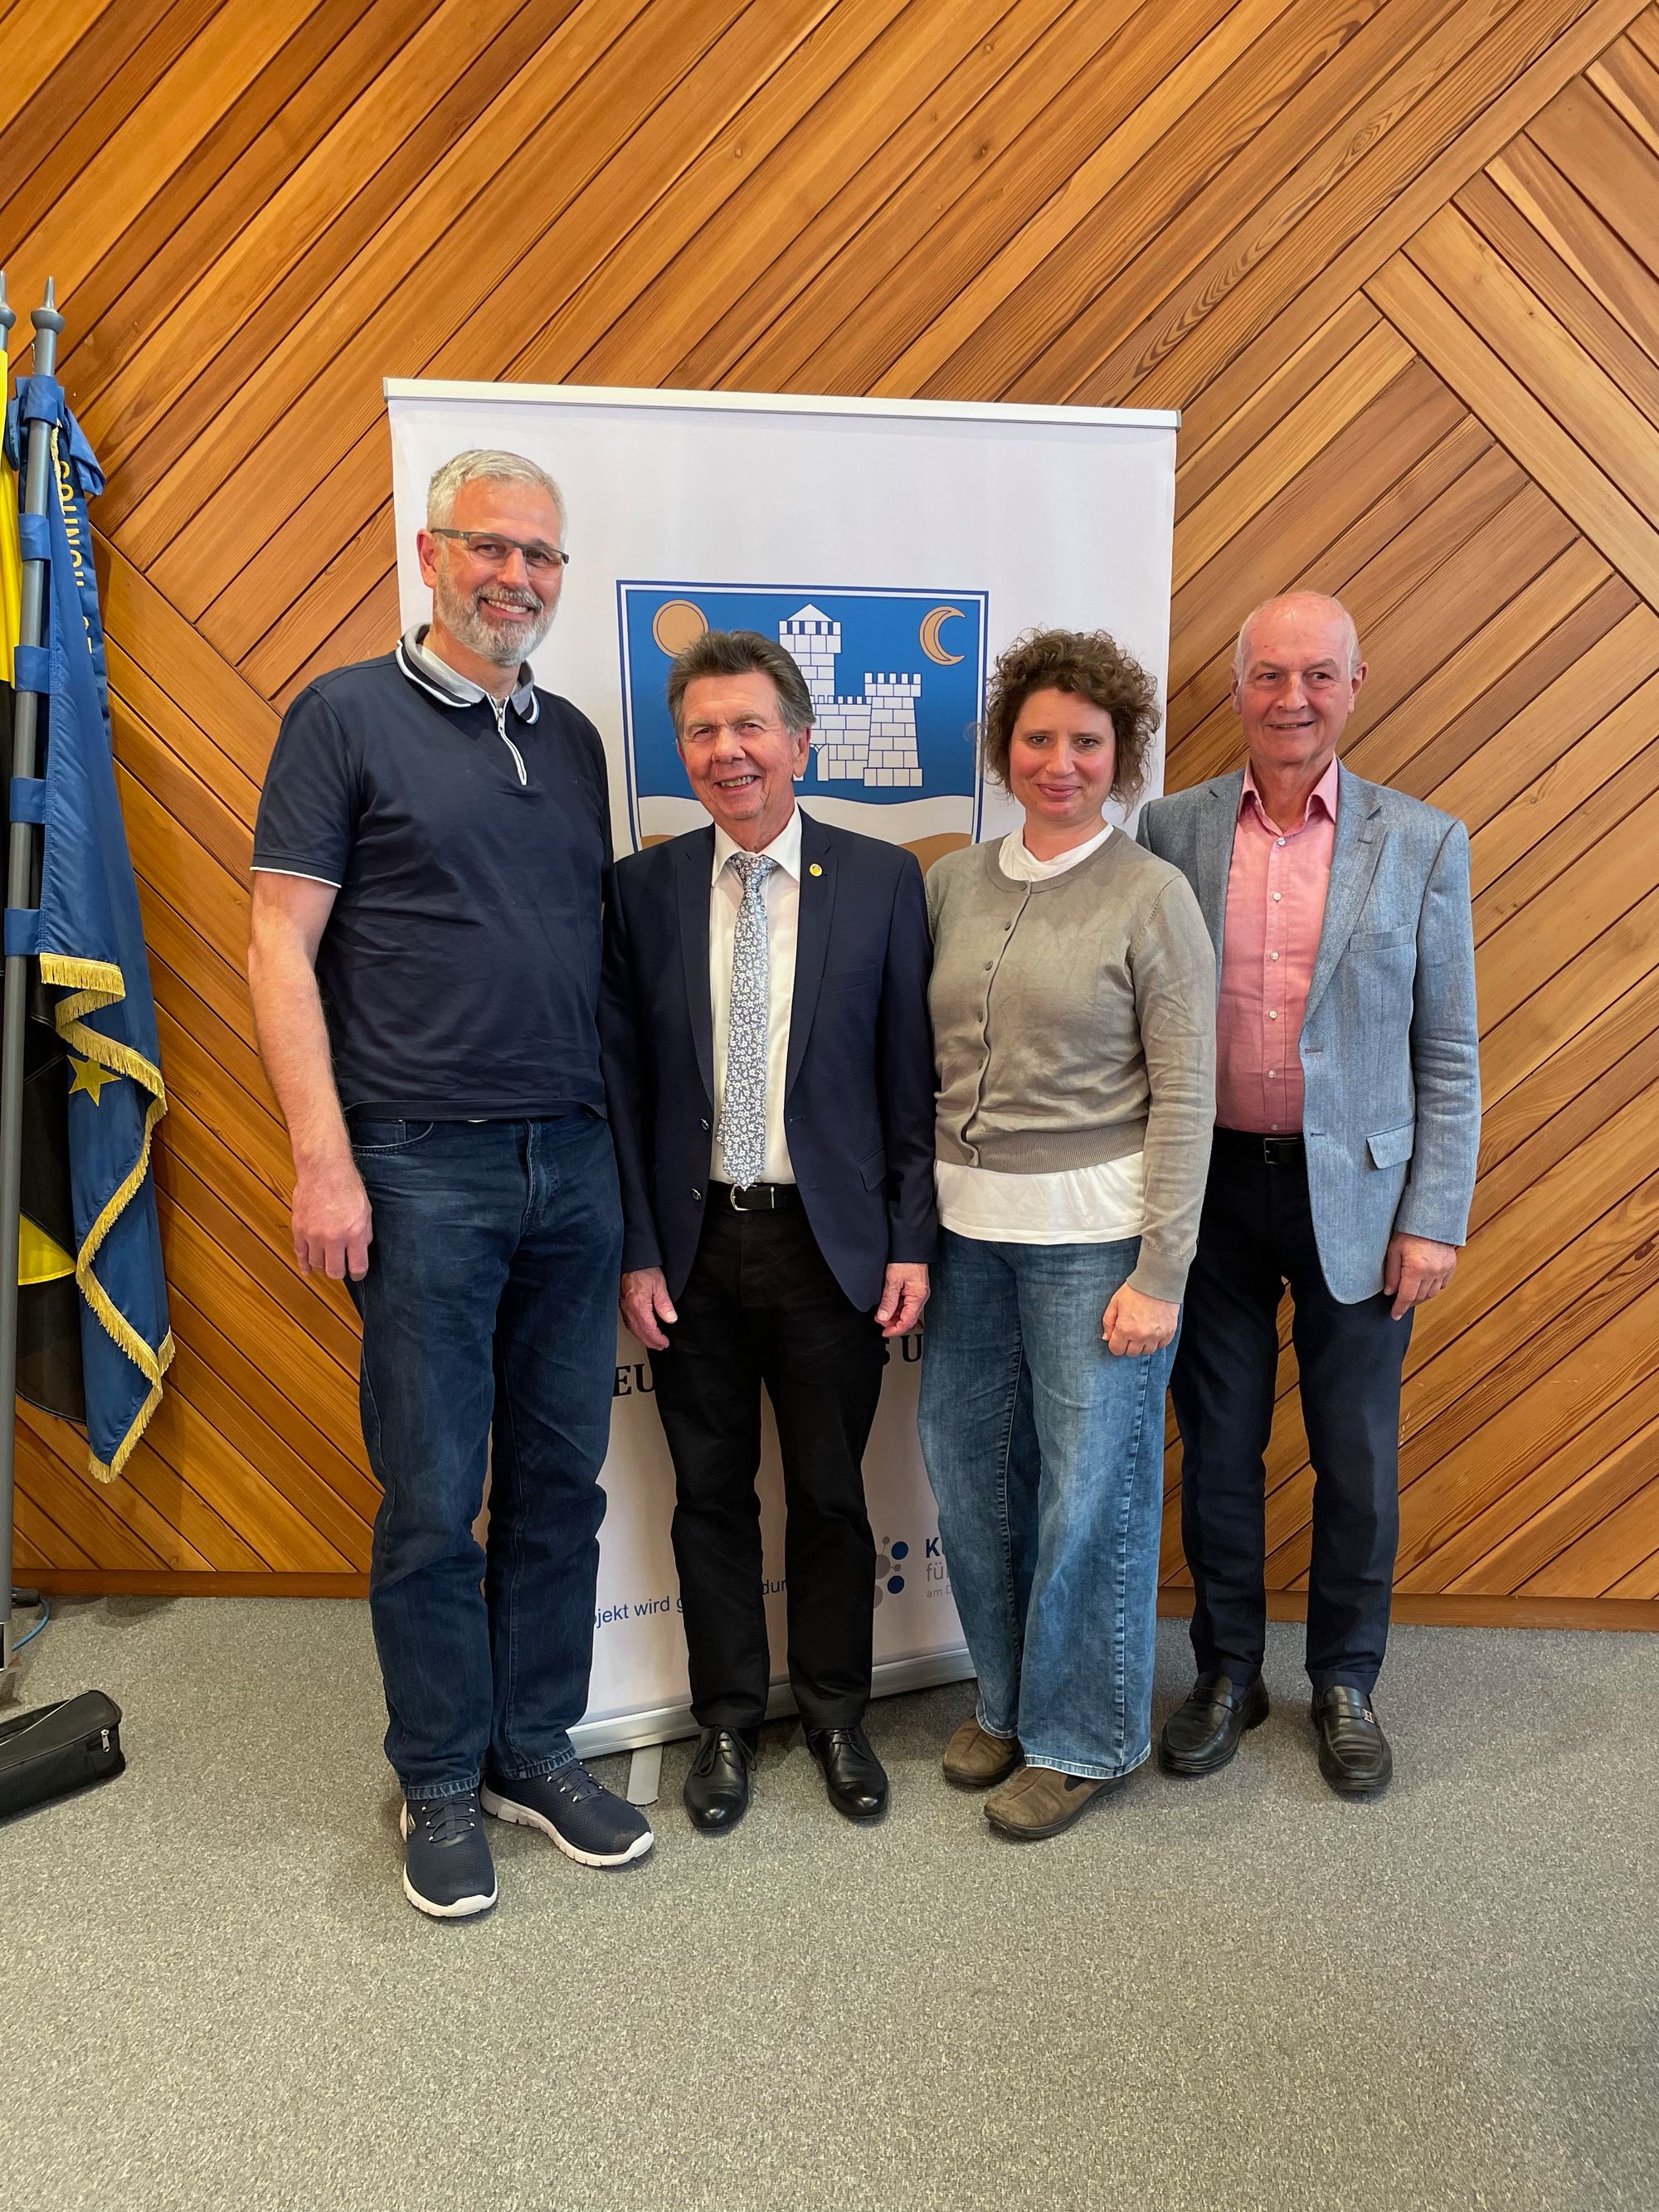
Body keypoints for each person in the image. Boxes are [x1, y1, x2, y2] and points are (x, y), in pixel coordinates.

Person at [249, 449, 651, 1920]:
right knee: (430, 1499)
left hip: (573, 1161)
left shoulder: (577, 740)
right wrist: (323, 1159)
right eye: (491, 547)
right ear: (430, 555)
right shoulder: (344, 716)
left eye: (541, 556)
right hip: (419, 1169)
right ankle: (434, 1774)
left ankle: (530, 1749)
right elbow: (278, 943)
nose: (517, 578)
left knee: (560, 1482)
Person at [1139, 591, 1480, 1797]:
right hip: (1213, 1188)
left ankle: (1345, 1681)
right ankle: (1227, 1673)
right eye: (1270, 676)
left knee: (1357, 1459)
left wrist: (1433, 1215)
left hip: (1364, 1202)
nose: (1293, 699)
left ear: (1354, 686)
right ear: (1237, 689)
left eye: (1317, 676)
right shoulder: (1170, 829)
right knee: (1219, 1452)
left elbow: (1449, 1050)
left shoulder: (1423, 840)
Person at [602, 629, 935, 1832]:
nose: (727, 750)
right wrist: (639, 1247)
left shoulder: (882, 880)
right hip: (692, 1251)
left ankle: (839, 1712)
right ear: (681, 751)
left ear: (799, 741)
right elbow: (625, 1087)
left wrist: (911, 1238)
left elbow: (910, 1079)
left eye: (750, 726)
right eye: (703, 731)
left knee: (834, 1496)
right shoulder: (640, 892)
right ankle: (728, 1721)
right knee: (709, 1496)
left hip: (829, 1249)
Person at [917, 629, 1216, 1842]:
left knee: (1091, 1497)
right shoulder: (953, 883)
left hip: (1098, 1247)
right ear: (1005, 749)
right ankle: (1006, 1701)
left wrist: (1163, 1270)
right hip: (962, 1238)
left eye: (1086, 742)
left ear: (1120, 755)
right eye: (1037, 738)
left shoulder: (1152, 895)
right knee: (973, 1481)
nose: (1060, 762)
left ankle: (1086, 1735)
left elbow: (1187, 1092)